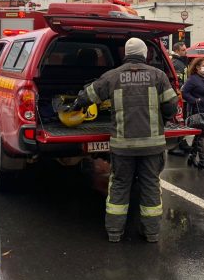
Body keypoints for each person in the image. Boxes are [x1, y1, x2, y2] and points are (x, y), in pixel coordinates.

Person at [72, 37, 178, 243]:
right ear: (145, 54)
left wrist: (75, 104)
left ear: (125, 55)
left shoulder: (112, 76)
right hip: (151, 146)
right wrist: (160, 119)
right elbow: (171, 107)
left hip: (123, 147)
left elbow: (88, 96)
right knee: (150, 186)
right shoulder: (158, 76)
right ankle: (151, 233)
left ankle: (114, 233)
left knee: (119, 186)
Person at [181, 57, 204, 171]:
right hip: (197, 111)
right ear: (197, 67)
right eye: (203, 65)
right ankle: (202, 161)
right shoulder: (193, 79)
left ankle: (192, 156)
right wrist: (195, 100)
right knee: (202, 134)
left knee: (199, 133)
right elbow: (184, 92)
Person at [169, 42, 192, 157]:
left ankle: (182, 142)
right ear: (177, 51)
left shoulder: (180, 62)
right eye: (183, 50)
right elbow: (177, 83)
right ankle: (174, 147)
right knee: (177, 121)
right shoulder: (177, 63)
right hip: (178, 98)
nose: (185, 52)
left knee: (181, 120)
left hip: (181, 98)